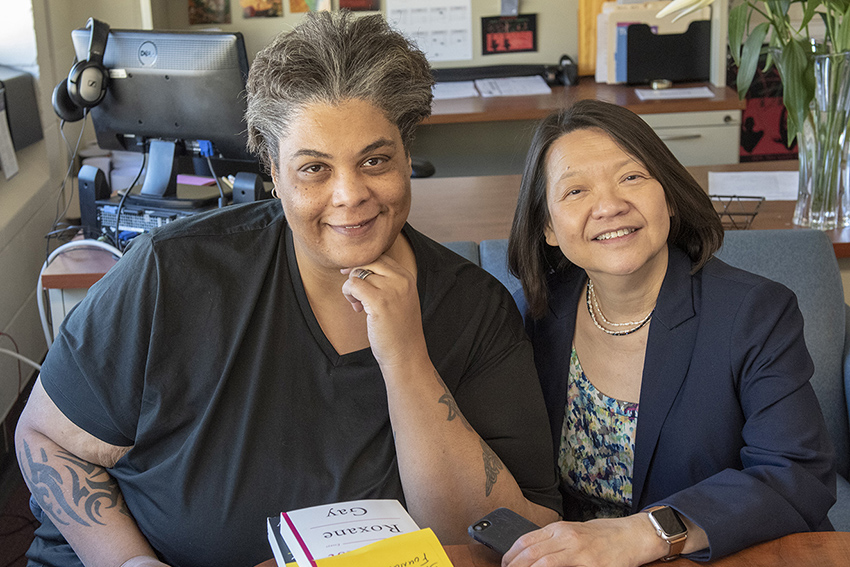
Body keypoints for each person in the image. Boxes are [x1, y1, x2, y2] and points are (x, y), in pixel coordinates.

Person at [16, 11, 561, 567]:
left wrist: (405, 357)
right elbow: (45, 437)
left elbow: (514, 537)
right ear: (273, 174)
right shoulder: (173, 273)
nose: (350, 195)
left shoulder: (476, 310)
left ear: (406, 154)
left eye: (375, 160)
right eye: (314, 169)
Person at [502, 99, 836, 566]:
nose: (609, 206)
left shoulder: (755, 313)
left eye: (632, 177)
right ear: (548, 227)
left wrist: (646, 533)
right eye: (575, 191)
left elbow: (795, 474)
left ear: (670, 197)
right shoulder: (531, 318)